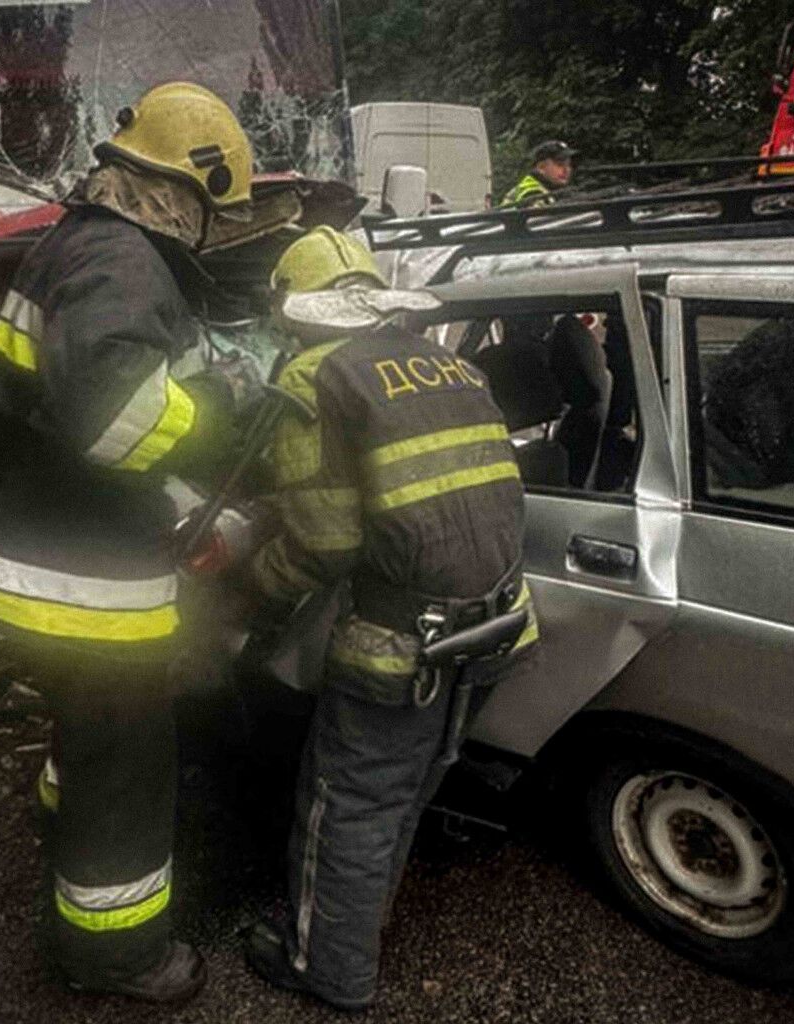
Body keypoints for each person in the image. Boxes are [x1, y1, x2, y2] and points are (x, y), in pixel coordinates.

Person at [0, 81, 261, 1003]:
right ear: (191, 190)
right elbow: (118, 423)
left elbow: (53, 410)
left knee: (86, 735)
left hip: (38, 555)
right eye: (219, 212)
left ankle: (61, 820)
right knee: (126, 768)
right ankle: (118, 955)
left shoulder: (71, 243)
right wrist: (225, 404)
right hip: (88, 585)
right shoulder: (125, 263)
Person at [239, 226, 538, 1011]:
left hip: (405, 644)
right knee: (408, 787)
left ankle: (326, 970)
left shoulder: (313, 380)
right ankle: (358, 926)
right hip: (499, 624)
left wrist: (251, 587)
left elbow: (326, 543)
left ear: (296, 308)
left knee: (349, 805)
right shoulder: (452, 363)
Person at [499, 139, 574, 207]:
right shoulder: (533, 194)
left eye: (568, 165)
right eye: (560, 165)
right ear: (541, 167)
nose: (566, 170)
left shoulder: (550, 190)